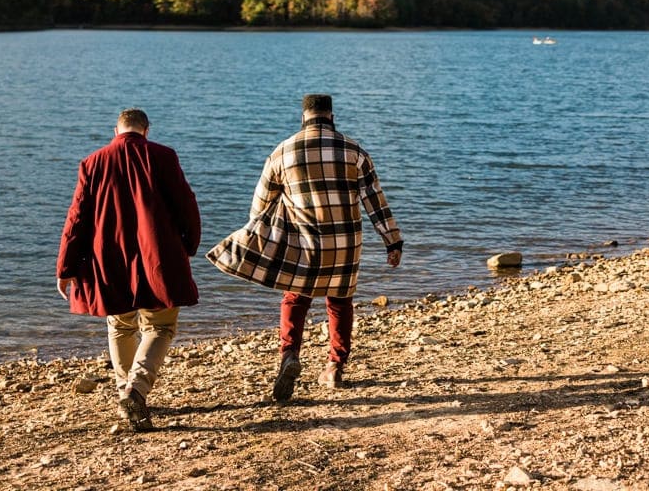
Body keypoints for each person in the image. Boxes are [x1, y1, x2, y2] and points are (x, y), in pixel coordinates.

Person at [207, 93, 402, 401]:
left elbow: (260, 208)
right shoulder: (354, 151)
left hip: (303, 243)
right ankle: (335, 367)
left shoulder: (283, 152)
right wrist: (392, 240)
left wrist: (259, 241)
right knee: (339, 303)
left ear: (304, 117)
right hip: (345, 243)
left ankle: (289, 355)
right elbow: (374, 201)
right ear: (332, 116)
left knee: (295, 299)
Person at [56, 108, 201, 431]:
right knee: (160, 326)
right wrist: (188, 245)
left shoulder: (93, 162)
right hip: (158, 255)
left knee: (120, 325)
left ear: (116, 130)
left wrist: (65, 266)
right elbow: (186, 203)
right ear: (146, 130)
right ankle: (136, 389)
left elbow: (77, 217)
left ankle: (127, 391)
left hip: (109, 259)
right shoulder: (163, 156)